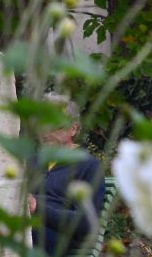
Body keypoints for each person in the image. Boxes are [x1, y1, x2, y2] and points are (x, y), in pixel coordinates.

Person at [28, 94, 106, 256]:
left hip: (57, 236)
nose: (46, 131)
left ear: (73, 129)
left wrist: (37, 208)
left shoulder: (89, 166)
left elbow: (85, 222)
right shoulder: (33, 161)